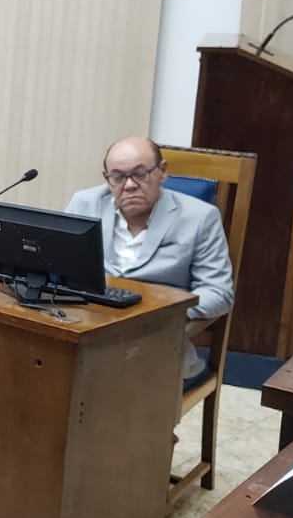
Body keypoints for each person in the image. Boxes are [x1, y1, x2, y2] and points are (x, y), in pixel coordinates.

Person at [65, 136, 234, 382]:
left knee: (104, 384)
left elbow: (219, 293)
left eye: (140, 174)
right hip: (87, 333)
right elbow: (61, 266)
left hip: (155, 344)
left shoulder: (200, 218)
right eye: (117, 177)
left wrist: (160, 316)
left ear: (162, 172)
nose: (129, 185)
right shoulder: (85, 204)